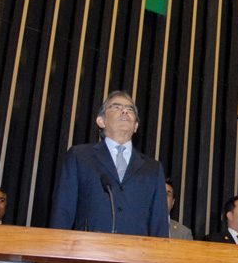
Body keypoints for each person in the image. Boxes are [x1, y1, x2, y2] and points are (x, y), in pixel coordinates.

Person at [49, 91, 169, 237]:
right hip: (88, 247)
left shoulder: (152, 168)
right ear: (101, 121)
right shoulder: (80, 156)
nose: (124, 111)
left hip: (135, 249)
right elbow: (63, 210)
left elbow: (159, 222)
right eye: (116, 107)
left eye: (130, 109)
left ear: (136, 126)